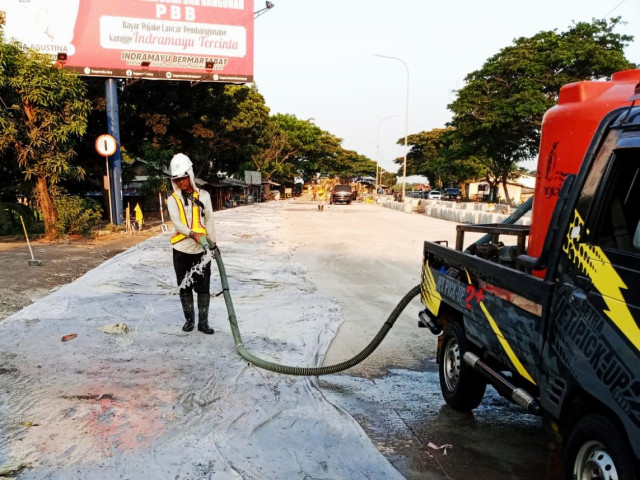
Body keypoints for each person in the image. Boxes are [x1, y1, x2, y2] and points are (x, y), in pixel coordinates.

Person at [167, 153, 216, 335]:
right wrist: (192, 234)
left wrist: (213, 244)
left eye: (184, 178)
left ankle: (203, 322)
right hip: (181, 250)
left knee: (203, 287)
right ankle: (189, 321)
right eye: (177, 179)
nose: (181, 182)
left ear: (190, 175)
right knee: (184, 286)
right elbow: (178, 224)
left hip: (201, 250)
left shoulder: (204, 196)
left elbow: (209, 220)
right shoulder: (172, 200)